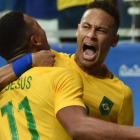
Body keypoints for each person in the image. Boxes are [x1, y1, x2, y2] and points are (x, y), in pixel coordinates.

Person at [1, 1, 140, 139]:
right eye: (86, 27)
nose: (91, 35)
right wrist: (29, 60)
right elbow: (78, 126)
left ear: (114, 40)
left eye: (101, 30)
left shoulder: (122, 95)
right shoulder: (47, 59)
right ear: (77, 30)